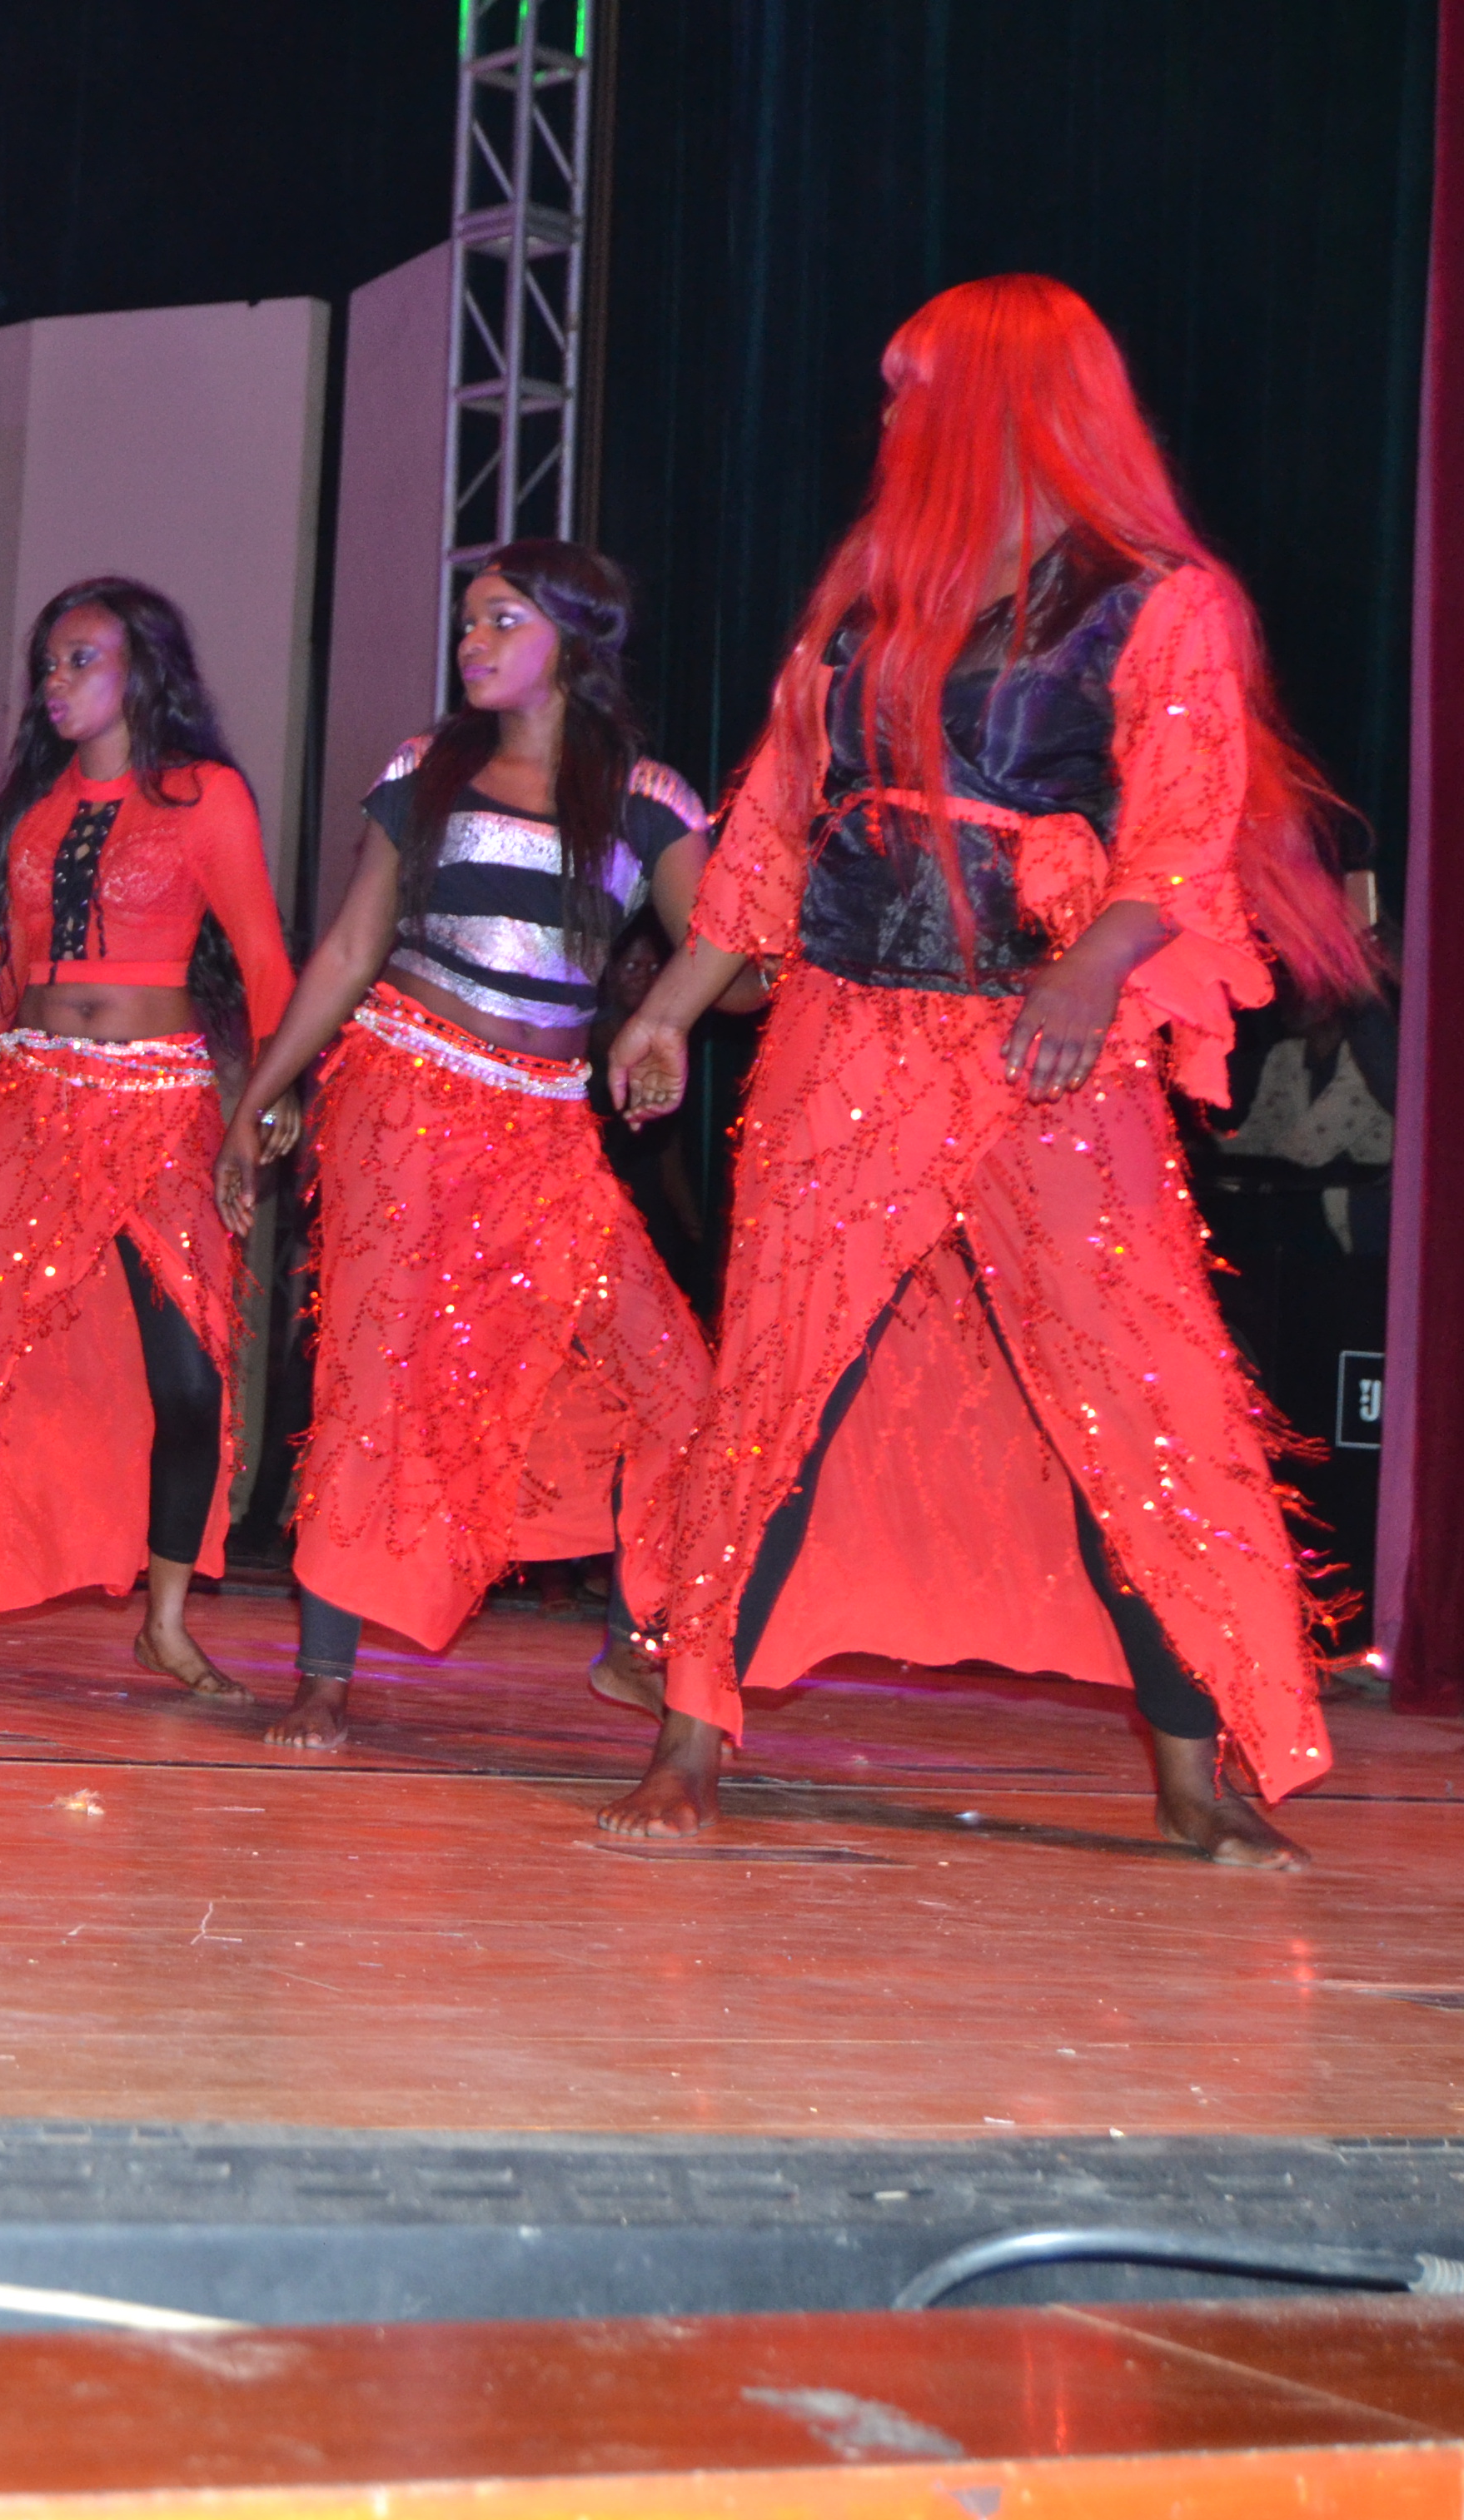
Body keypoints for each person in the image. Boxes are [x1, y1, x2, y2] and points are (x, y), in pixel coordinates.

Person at [597, 275, 1384, 1867]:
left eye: (910, 386)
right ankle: (692, 1732)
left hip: (1043, 1052)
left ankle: (1189, 1766)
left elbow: (1176, 828)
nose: (886, 412)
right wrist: (672, 1005)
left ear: (1006, 401)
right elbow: (764, 833)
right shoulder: (866, 608)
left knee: (1133, 1395)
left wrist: (1093, 969)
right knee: (773, 1390)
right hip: (843, 1034)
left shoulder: (1159, 600)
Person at [212, 541, 727, 1750]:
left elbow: (730, 954)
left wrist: (668, 1019)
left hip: (545, 1123)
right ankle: (326, 1676)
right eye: (467, 624)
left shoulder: (649, 799)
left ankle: (638, 1641)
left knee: (673, 1379)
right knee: (374, 1374)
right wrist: (262, 1096)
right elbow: (346, 951)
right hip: (403, 1092)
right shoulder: (423, 771)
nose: (472, 644)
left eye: (501, 621)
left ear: (574, 640)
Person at [0, 579, 293, 1694]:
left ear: (141, 671)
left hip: (162, 1110)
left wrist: (266, 1112)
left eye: (80, 660)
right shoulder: (32, 821)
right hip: (29, 1107)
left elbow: (269, 966)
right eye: (47, 663)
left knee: (190, 1376)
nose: (55, 681)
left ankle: (169, 1619)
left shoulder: (207, 799)